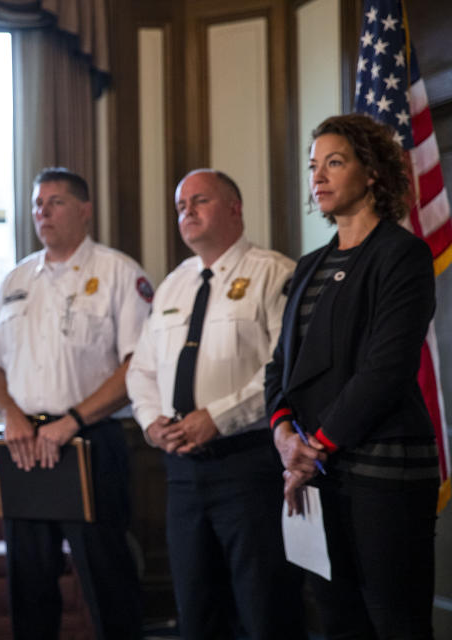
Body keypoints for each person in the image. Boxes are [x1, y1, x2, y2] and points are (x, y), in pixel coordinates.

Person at [265, 113, 439, 639]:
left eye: (334, 163)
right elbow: (281, 368)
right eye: (314, 166)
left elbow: (384, 371)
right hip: (317, 476)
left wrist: (312, 447)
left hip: (383, 472)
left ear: (372, 174)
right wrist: (282, 436)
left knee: (395, 624)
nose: (317, 176)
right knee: (338, 622)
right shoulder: (308, 265)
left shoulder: (401, 254)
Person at [126, 169, 305, 639]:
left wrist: (220, 418)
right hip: (182, 474)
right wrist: (151, 423)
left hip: (247, 467)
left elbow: (283, 370)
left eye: (199, 201)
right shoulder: (172, 284)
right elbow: (141, 370)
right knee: (195, 609)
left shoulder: (275, 272)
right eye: (181, 206)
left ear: (234, 207)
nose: (187, 212)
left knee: (265, 607)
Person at [0, 167, 149, 640]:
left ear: (85, 210)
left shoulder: (118, 272)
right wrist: (9, 414)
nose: (42, 212)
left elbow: (138, 367)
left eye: (55, 202)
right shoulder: (17, 278)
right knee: (29, 589)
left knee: (107, 582)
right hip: (25, 443)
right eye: (37, 203)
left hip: (89, 440)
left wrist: (71, 421)